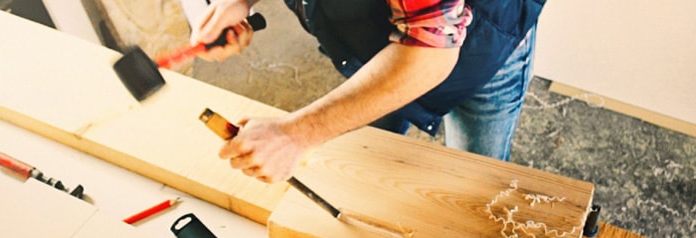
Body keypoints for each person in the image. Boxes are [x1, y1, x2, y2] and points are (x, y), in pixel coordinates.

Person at [189, 0, 544, 183]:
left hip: (487, 41)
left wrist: (297, 134)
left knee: (473, 181)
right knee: (366, 165)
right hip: (382, 38)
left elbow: (428, 55)